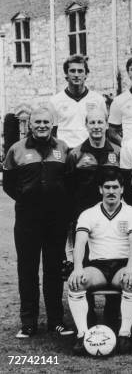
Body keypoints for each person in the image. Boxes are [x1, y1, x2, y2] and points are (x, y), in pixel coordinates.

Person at [3, 106, 74, 338]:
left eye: (46, 121)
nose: (42, 125)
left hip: (56, 220)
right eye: (37, 122)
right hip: (27, 219)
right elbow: (9, 185)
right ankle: (29, 322)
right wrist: (27, 199)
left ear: (52, 124)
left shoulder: (63, 148)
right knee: (28, 270)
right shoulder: (17, 149)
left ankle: (55, 321)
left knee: (54, 270)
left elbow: (68, 181)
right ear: (29, 125)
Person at [67, 169, 132, 355]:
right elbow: (80, 243)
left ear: (122, 189)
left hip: (122, 264)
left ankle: (125, 334)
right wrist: (77, 268)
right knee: (77, 283)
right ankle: (82, 334)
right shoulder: (88, 214)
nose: (111, 191)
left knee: (130, 281)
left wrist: (131, 268)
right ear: (100, 189)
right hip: (98, 266)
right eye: (107, 187)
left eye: (115, 187)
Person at [65, 108, 122, 326]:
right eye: (92, 122)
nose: (96, 126)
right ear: (86, 125)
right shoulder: (76, 153)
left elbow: (121, 184)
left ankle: (111, 313)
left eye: (100, 122)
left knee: (114, 259)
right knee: (85, 261)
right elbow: (68, 187)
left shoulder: (117, 151)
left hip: (111, 217)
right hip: (84, 218)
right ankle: (87, 313)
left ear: (107, 125)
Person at [48, 55, 107, 149]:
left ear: (86, 74)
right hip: (65, 152)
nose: (76, 74)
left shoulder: (97, 100)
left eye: (80, 71)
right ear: (66, 74)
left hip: (90, 151)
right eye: (72, 71)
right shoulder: (55, 101)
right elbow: (52, 132)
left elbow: (104, 129)